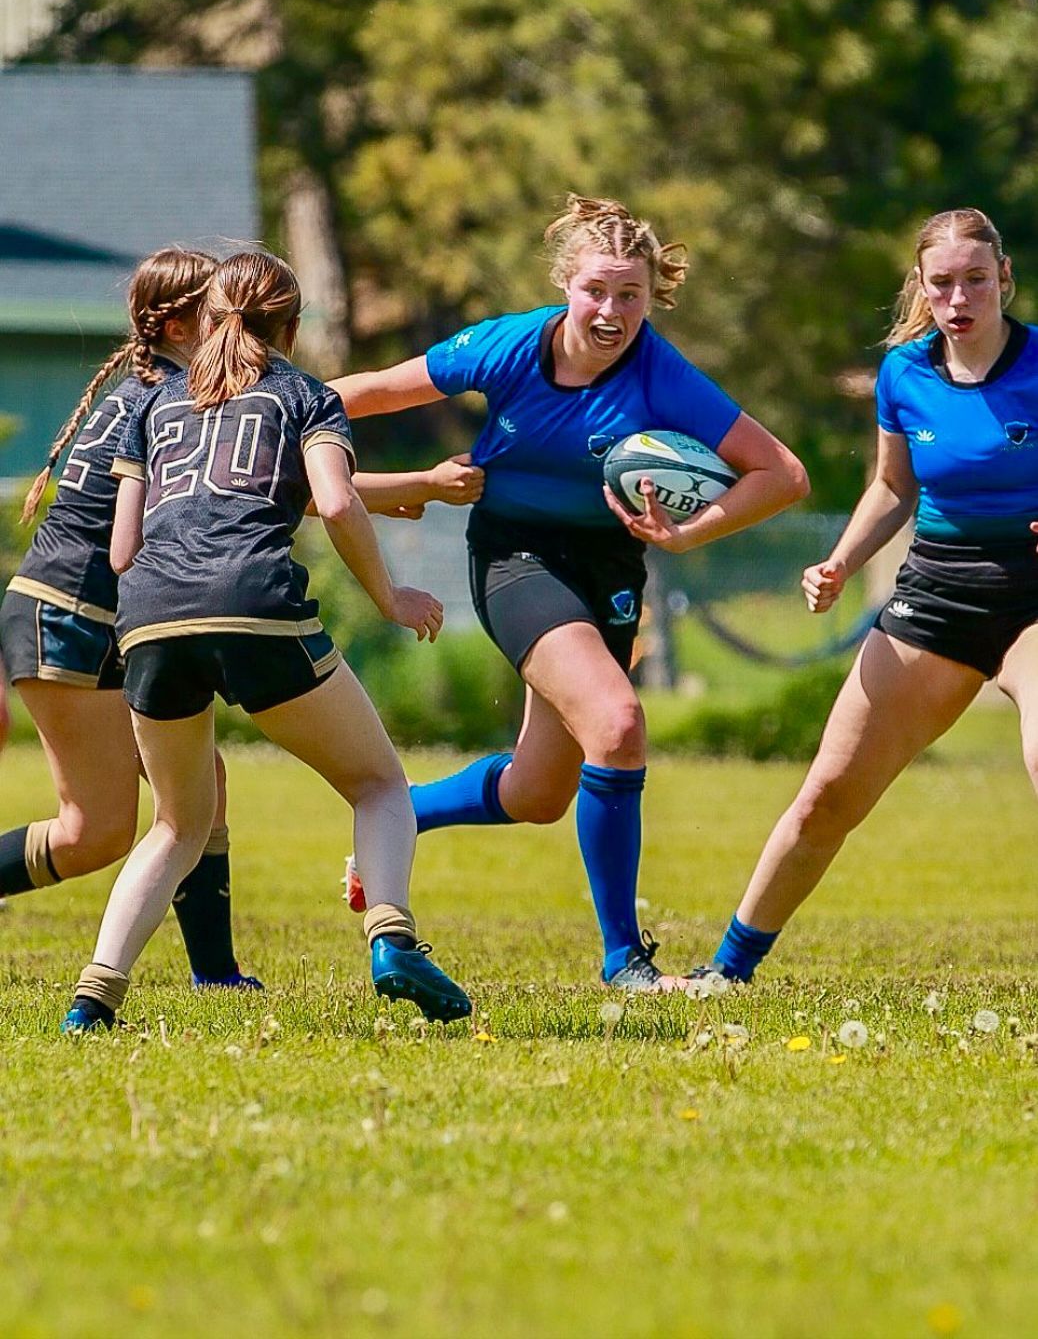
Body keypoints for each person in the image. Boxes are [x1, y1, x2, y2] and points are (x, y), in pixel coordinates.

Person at [332, 195, 808, 991]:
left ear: (654, 295)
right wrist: (267, 408)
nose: (613, 311)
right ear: (564, 285)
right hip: (514, 559)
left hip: (609, 571)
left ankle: (398, 814)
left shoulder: (662, 374)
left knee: (538, 791)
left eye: (631, 294)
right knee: (618, 726)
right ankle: (625, 960)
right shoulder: (509, 346)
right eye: (596, 290)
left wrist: (688, 533)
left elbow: (782, 475)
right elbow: (375, 390)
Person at [61, 251, 471, 1031]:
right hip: (254, 603)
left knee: (179, 824)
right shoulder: (304, 396)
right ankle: (392, 939)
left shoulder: (157, 403)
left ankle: (92, 997)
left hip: (147, 615)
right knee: (379, 786)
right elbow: (339, 503)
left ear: (211, 316)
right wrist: (389, 597)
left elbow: (121, 551)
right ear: (291, 323)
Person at [699, 207, 1038, 984]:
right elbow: (892, 485)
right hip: (938, 594)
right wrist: (841, 563)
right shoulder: (905, 374)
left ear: (1004, 280)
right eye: (943, 283)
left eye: (976, 281)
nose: (960, 299)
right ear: (922, 286)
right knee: (826, 797)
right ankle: (727, 970)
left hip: (1032, 598)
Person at [0, 249, 260, 988]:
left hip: (88, 615)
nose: (237, 327)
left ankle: (217, 975)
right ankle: (213, 974)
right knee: (95, 834)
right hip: (69, 615)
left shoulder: (161, 389)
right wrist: (406, 485)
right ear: (179, 324)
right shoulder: (171, 399)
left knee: (198, 781)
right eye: (221, 312)